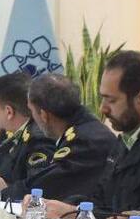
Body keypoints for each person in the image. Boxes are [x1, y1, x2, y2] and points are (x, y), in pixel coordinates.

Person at [32, 53, 140, 219]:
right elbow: (102, 199)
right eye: (102, 98)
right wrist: (72, 209)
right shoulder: (126, 140)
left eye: (111, 100)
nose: (102, 108)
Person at [17, 73, 116, 203]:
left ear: (44, 115)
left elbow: (48, 185)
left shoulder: (85, 141)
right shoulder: (85, 129)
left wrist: (3, 191)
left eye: (32, 111)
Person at [0, 71, 53, 199]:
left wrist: (5, 191)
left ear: (9, 112)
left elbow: (38, 189)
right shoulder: (15, 134)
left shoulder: (39, 139)